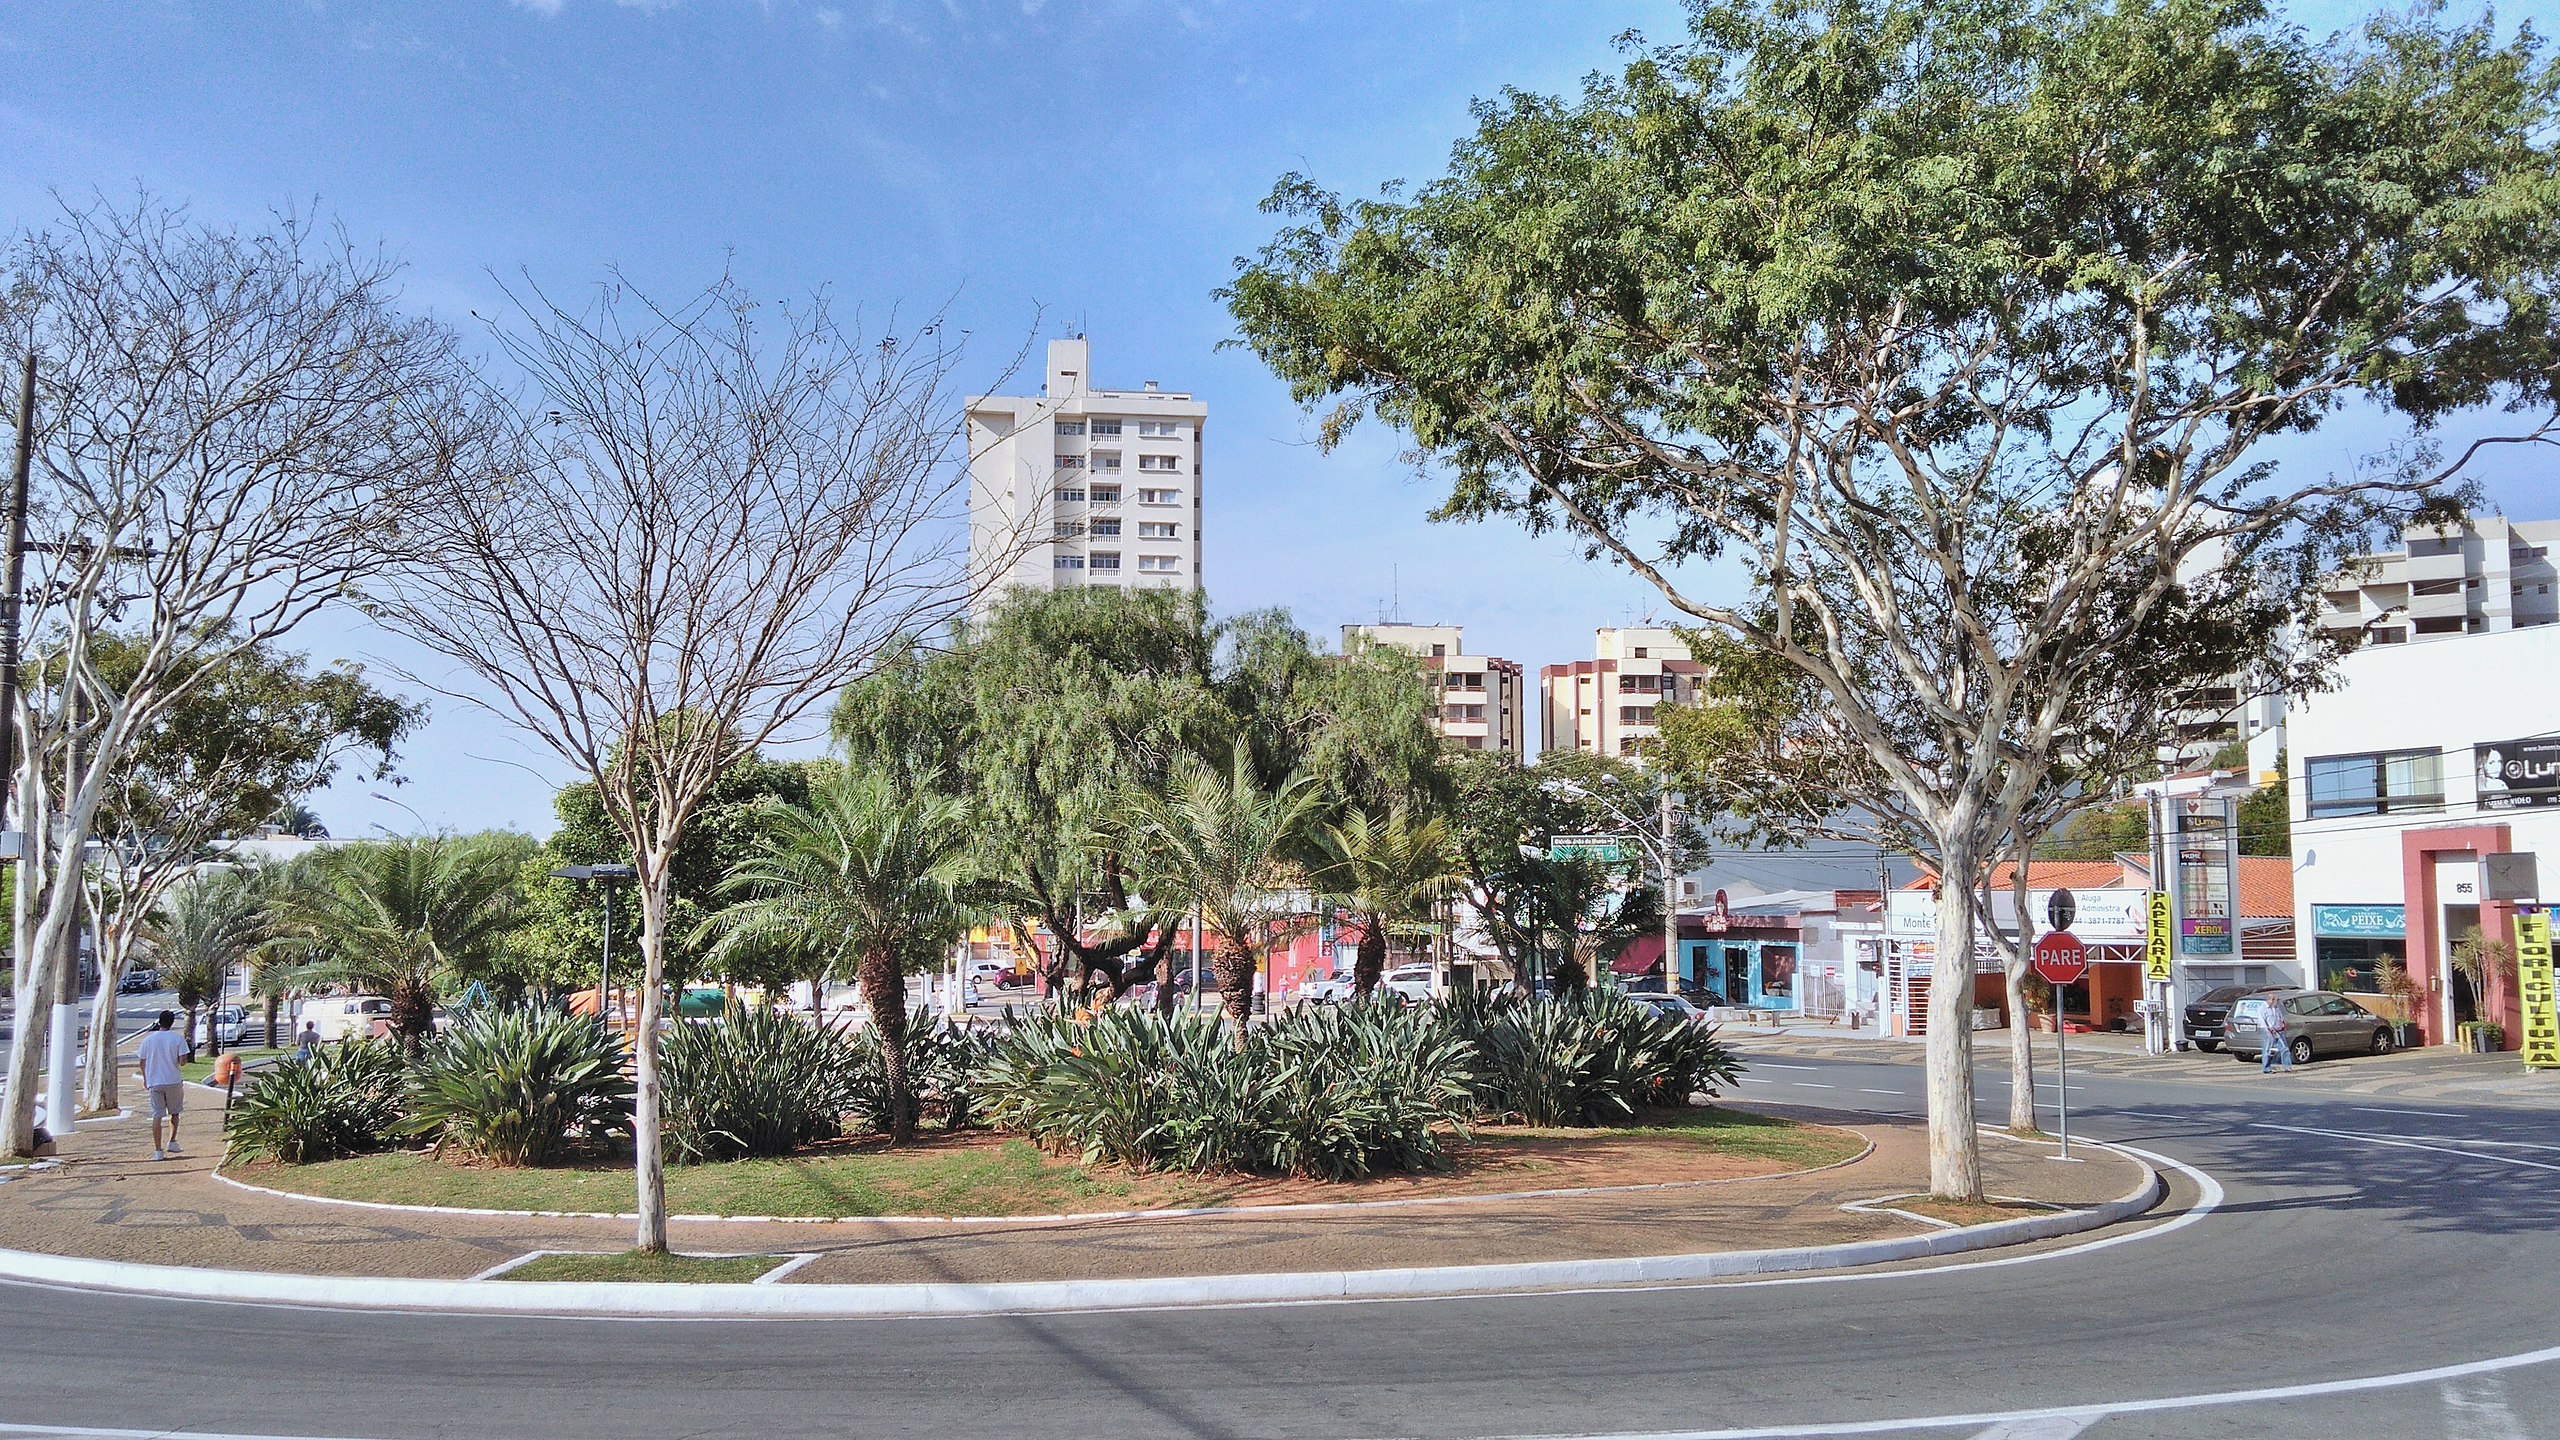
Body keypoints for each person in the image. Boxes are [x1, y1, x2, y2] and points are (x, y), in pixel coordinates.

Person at [135, 1011, 189, 1160]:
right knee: (175, 1112)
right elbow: (182, 1061)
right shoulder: (177, 1039)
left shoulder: (148, 1040)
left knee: (157, 1115)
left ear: (159, 1022)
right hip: (173, 1080)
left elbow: (142, 1062)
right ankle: (172, 1141)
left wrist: (146, 1078)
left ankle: (158, 1150)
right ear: (172, 1023)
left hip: (155, 1082)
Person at [2257, 995, 2296, 1075]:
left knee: (2284, 1048)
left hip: (2278, 1031)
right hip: (2267, 1030)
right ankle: (2266, 1068)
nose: (2277, 1002)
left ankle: (2287, 1066)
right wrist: (2268, 1031)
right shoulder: (2263, 1008)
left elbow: (2280, 1017)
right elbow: (2262, 1021)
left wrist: (2283, 1024)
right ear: (2271, 1000)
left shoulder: (2276, 1008)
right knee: (2267, 1050)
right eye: (2276, 1000)